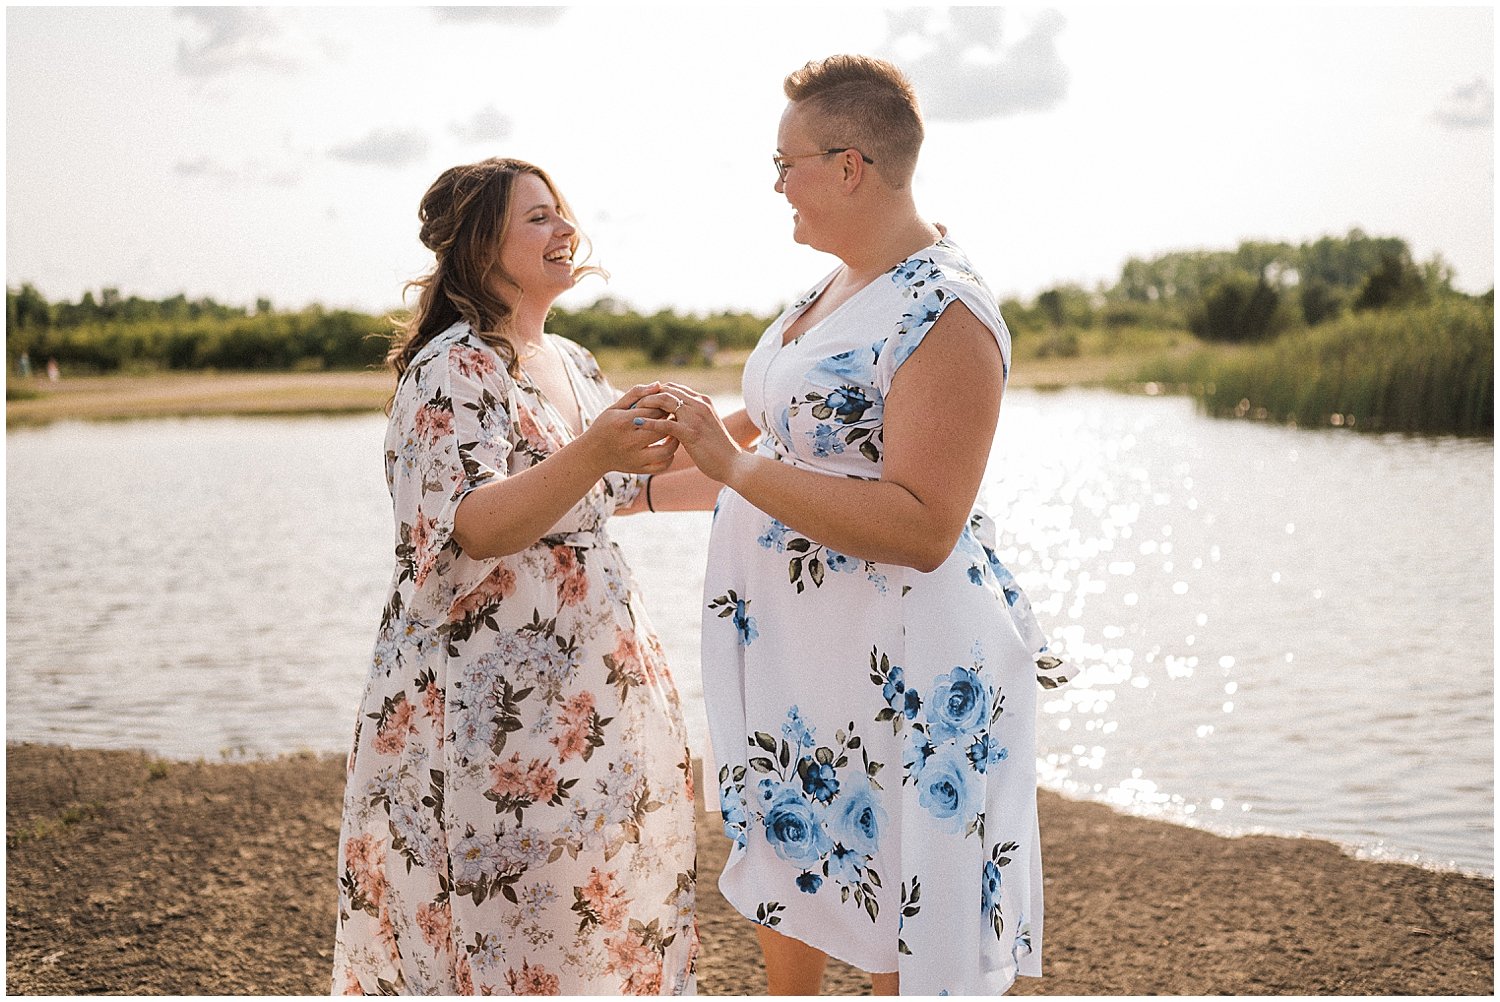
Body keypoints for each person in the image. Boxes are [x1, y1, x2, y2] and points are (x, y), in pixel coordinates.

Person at [637, 56, 1073, 995]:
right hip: (806, 662)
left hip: (906, 662)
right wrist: (615, 495)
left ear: (850, 166)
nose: (776, 183)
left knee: (903, 929)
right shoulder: (824, 293)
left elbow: (924, 523)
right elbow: (769, 461)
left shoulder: (946, 310)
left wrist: (733, 462)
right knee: (789, 884)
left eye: (785, 162)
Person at [332, 157, 713, 995]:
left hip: (580, 697)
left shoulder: (569, 360)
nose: (565, 229)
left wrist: (754, 443)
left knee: (584, 916)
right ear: (480, 246)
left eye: (563, 212)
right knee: (500, 924)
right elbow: (469, 523)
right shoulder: (453, 367)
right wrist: (594, 453)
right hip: (484, 712)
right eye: (538, 217)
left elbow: (625, 489)